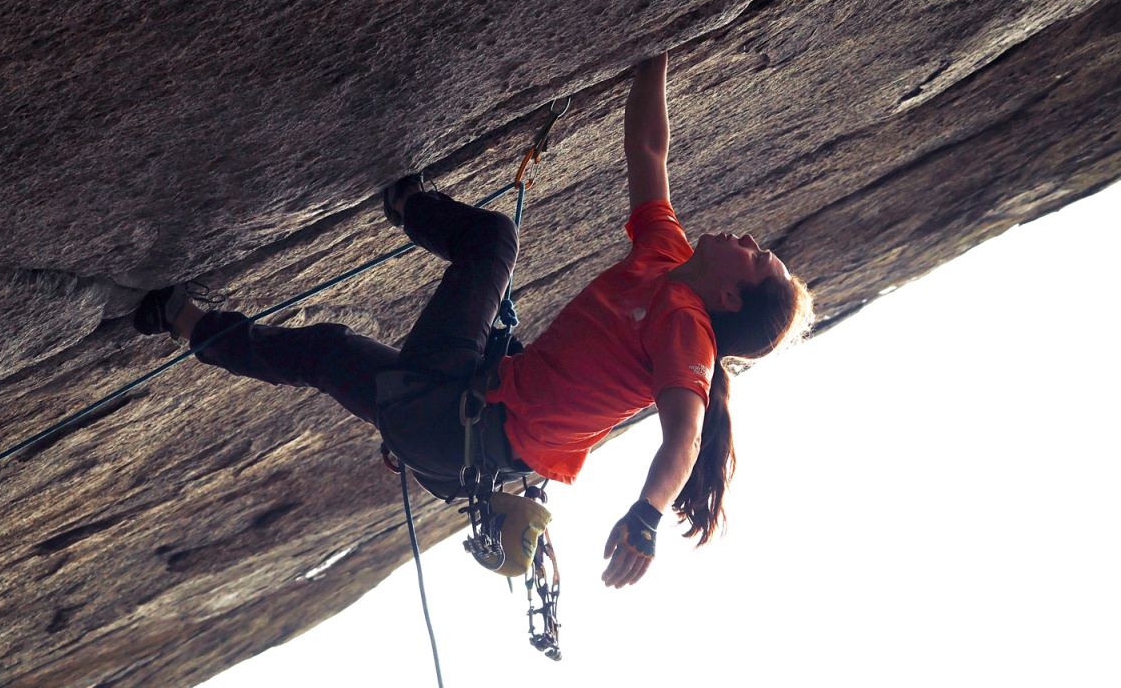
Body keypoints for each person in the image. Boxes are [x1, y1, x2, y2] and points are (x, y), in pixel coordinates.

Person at [134, 52, 814, 589]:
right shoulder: (669, 253)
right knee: (323, 351)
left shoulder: (687, 330)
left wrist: (645, 514)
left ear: (730, 297)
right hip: (465, 397)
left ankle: (396, 205)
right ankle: (180, 315)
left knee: (481, 250)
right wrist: (654, 54)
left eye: (757, 258)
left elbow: (684, 437)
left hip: (457, 423)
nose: (749, 239)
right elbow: (649, 152)